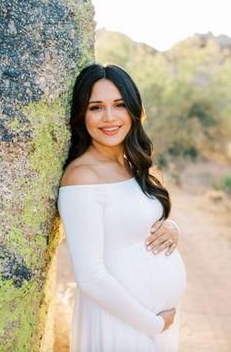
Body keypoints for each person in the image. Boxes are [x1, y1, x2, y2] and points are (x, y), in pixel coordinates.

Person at [57, 63, 186, 352]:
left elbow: (136, 221)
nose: (110, 117)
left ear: (133, 110)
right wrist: (153, 324)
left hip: (150, 323)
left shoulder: (129, 165)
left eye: (119, 105)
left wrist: (172, 228)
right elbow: (90, 276)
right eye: (96, 107)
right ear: (81, 114)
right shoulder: (82, 176)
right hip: (120, 324)